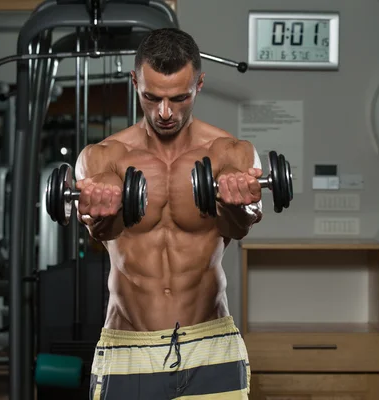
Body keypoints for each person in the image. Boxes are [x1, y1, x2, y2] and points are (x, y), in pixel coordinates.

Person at [75, 28, 263, 399]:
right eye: (151, 97)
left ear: (199, 84)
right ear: (134, 81)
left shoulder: (231, 153)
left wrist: (235, 203)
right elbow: (100, 230)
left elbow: (239, 228)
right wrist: (100, 208)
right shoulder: (103, 157)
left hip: (209, 342)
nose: (164, 112)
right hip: (127, 346)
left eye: (179, 98)